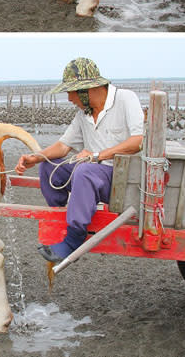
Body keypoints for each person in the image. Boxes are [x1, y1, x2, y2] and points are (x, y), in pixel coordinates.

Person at [15, 57, 144, 263]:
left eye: (71, 92)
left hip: (121, 178)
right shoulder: (83, 113)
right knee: (49, 168)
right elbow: (64, 146)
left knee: (84, 171)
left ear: (87, 90)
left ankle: (75, 237)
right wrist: (36, 157)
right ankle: (61, 217)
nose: (69, 98)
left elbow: (139, 141)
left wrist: (96, 156)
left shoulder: (126, 99)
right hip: (93, 173)